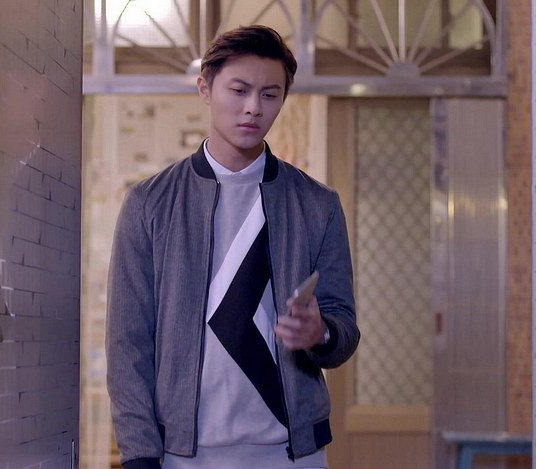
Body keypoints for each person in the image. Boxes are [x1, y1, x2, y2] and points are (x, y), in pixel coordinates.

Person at [106, 25, 360, 469]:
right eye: (239, 90)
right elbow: (128, 345)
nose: (253, 108)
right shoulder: (150, 203)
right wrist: (140, 455)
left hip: (293, 453)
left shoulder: (317, 205)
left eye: (270, 95)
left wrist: (320, 334)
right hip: (184, 453)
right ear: (205, 88)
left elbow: (344, 327)